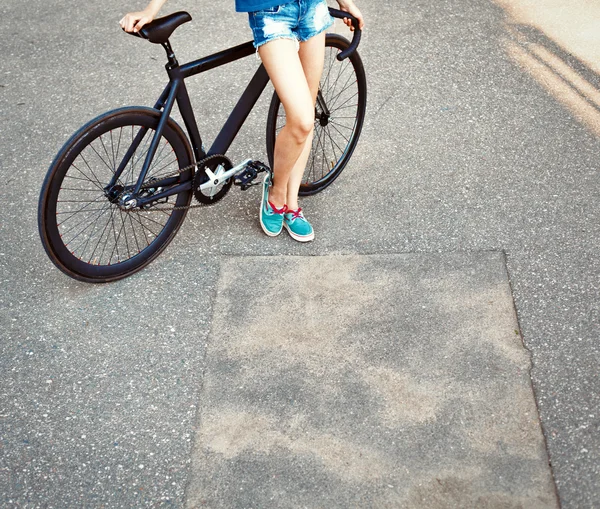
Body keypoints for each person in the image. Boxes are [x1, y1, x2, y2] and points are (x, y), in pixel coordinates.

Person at [121, 0, 364, 242]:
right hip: (272, 13)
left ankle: (292, 204)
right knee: (302, 120)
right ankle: (276, 194)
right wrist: (150, 10)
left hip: (313, 8)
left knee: (306, 114)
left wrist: (346, 3)